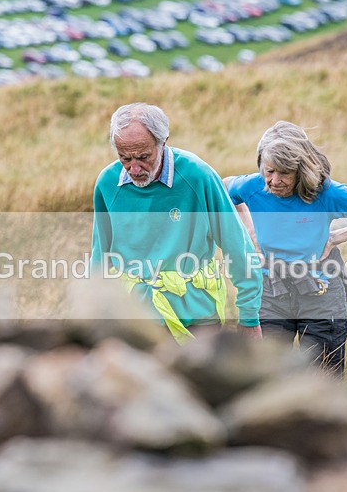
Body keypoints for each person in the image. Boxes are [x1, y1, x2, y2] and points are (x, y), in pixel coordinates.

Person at [224, 121, 347, 374]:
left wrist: (336, 237)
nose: (274, 181)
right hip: (270, 293)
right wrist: (250, 232)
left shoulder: (327, 192)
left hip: (321, 293)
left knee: (323, 378)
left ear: (301, 169)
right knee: (268, 376)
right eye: (269, 171)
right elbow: (223, 190)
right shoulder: (253, 186)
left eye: (284, 173)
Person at [90, 103, 263, 343]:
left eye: (143, 157)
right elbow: (99, 257)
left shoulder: (198, 176)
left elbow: (238, 246)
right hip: (135, 318)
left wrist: (249, 317)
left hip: (196, 315)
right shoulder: (108, 183)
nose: (134, 168)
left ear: (163, 142)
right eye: (124, 158)